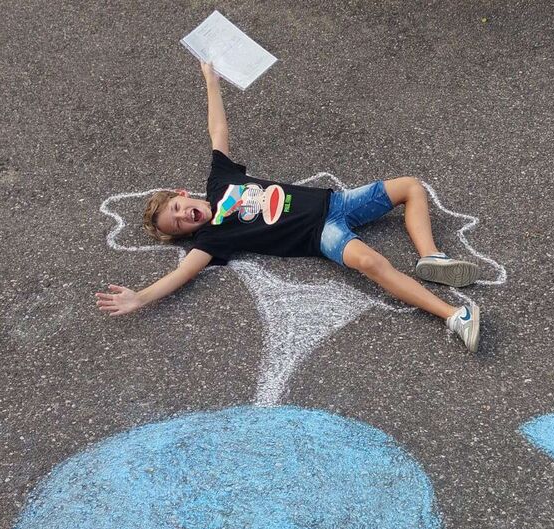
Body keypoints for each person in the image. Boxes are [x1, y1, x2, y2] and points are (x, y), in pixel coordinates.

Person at [96, 62, 482, 352]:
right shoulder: (212, 239)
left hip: (337, 201)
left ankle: (431, 257)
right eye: (179, 225)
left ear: (183, 194)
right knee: (369, 262)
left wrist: (210, 80)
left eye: (178, 208)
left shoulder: (219, 181)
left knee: (410, 187)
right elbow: (181, 274)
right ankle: (453, 316)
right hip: (323, 234)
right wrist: (140, 297)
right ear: (187, 234)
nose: (183, 216)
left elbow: (218, 131)